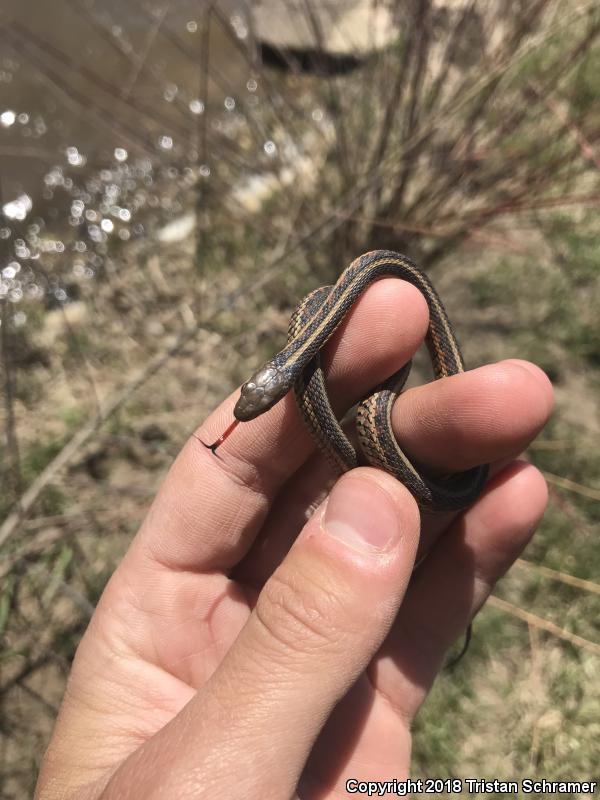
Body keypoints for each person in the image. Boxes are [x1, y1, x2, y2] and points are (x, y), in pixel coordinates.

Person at [35, 279, 553, 798]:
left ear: (273, 385)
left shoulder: (307, 352)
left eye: (256, 403)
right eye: (252, 400)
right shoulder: (295, 369)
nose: (250, 409)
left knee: (393, 394)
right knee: (380, 390)